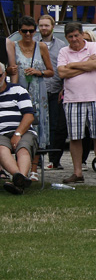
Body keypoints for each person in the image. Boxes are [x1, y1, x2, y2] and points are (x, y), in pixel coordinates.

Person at [56, 22, 96, 184]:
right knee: (75, 137)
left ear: (81, 34)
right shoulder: (63, 51)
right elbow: (62, 72)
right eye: (70, 37)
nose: (74, 39)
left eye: (76, 35)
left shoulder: (93, 46)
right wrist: (84, 65)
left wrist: (72, 65)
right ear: (66, 38)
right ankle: (77, 173)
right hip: (72, 99)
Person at [8, 16, 53, 180]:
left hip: (38, 93)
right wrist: (9, 70)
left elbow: (51, 71)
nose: (28, 34)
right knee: (19, 126)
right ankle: (19, 168)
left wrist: (38, 72)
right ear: (19, 31)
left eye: (31, 31)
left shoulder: (41, 47)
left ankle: (34, 169)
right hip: (20, 92)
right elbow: (8, 70)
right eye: (24, 31)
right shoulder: (13, 46)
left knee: (38, 127)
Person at [0, 62, 38, 195]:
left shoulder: (18, 90)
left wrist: (18, 133)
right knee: (1, 148)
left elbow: (29, 116)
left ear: (4, 75)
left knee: (23, 147)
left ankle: (18, 179)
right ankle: (19, 179)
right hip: (1, 134)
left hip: (23, 130)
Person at [38, 15, 67, 170]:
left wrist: (63, 87)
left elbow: (63, 67)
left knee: (56, 126)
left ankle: (54, 159)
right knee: (39, 124)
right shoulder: (34, 44)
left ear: (52, 27)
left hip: (56, 90)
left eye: (46, 25)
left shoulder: (62, 45)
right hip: (38, 90)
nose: (44, 28)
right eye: (41, 25)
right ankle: (38, 158)